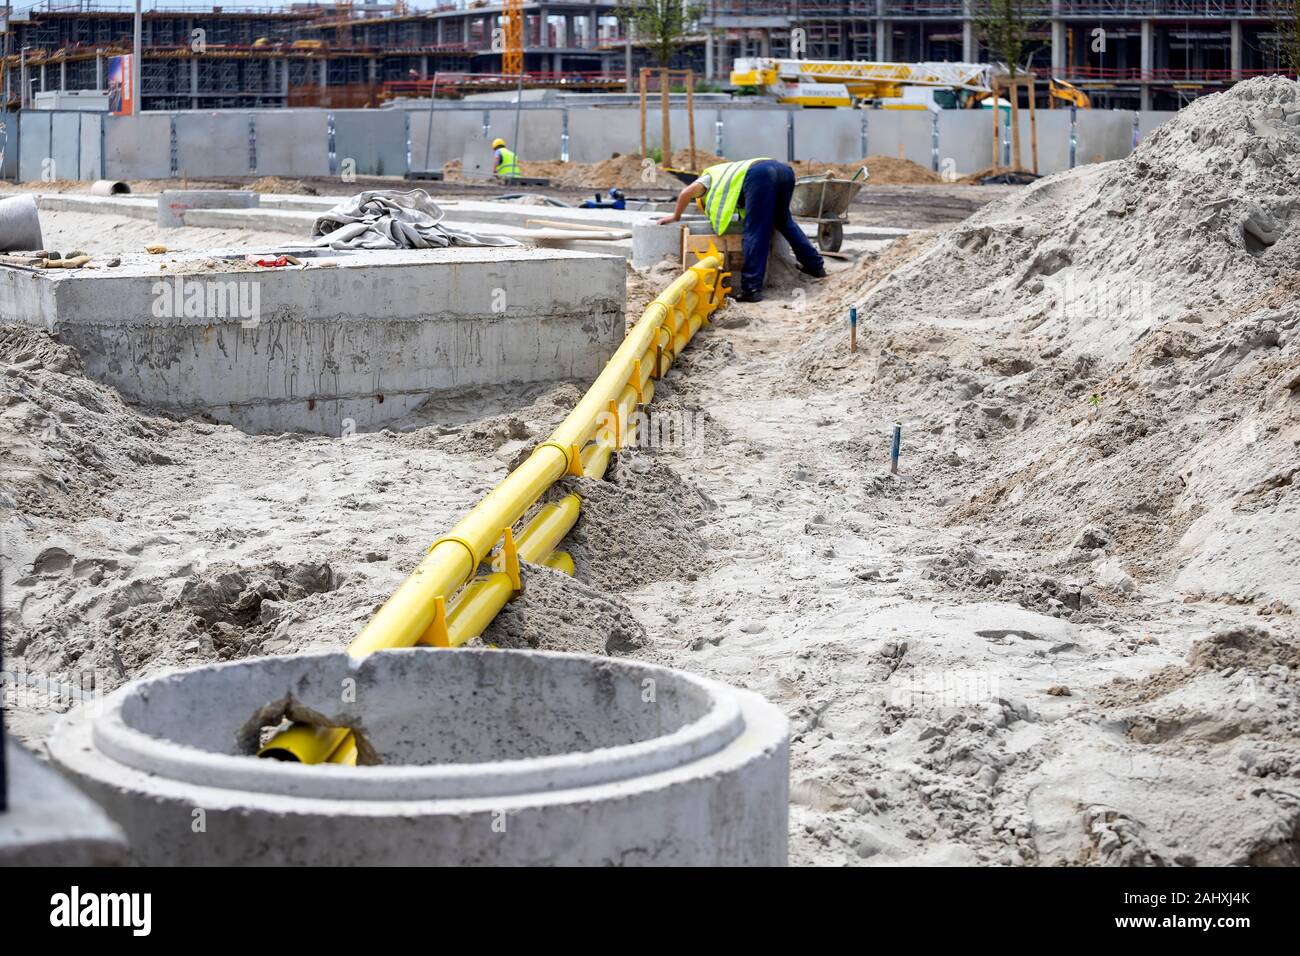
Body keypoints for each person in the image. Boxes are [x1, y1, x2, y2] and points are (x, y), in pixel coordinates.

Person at [658, 157, 825, 302]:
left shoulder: (707, 179)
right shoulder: (728, 174)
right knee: (784, 220)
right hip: (783, 171)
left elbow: (686, 193)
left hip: (760, 175)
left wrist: (676, 217)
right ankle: (815, 266)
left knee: (755, 229)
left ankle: (751, 289)